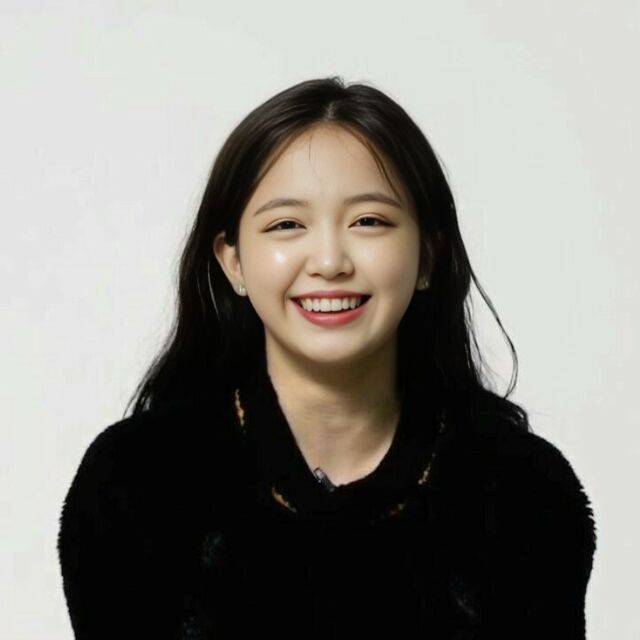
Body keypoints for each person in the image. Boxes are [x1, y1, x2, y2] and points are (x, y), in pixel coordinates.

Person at [57, 76, 597, 639]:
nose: (330, 261)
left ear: (428, 256)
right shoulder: (137, 483)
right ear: (233, 262)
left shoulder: (522, 492)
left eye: (369, 221)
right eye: (287, 225)